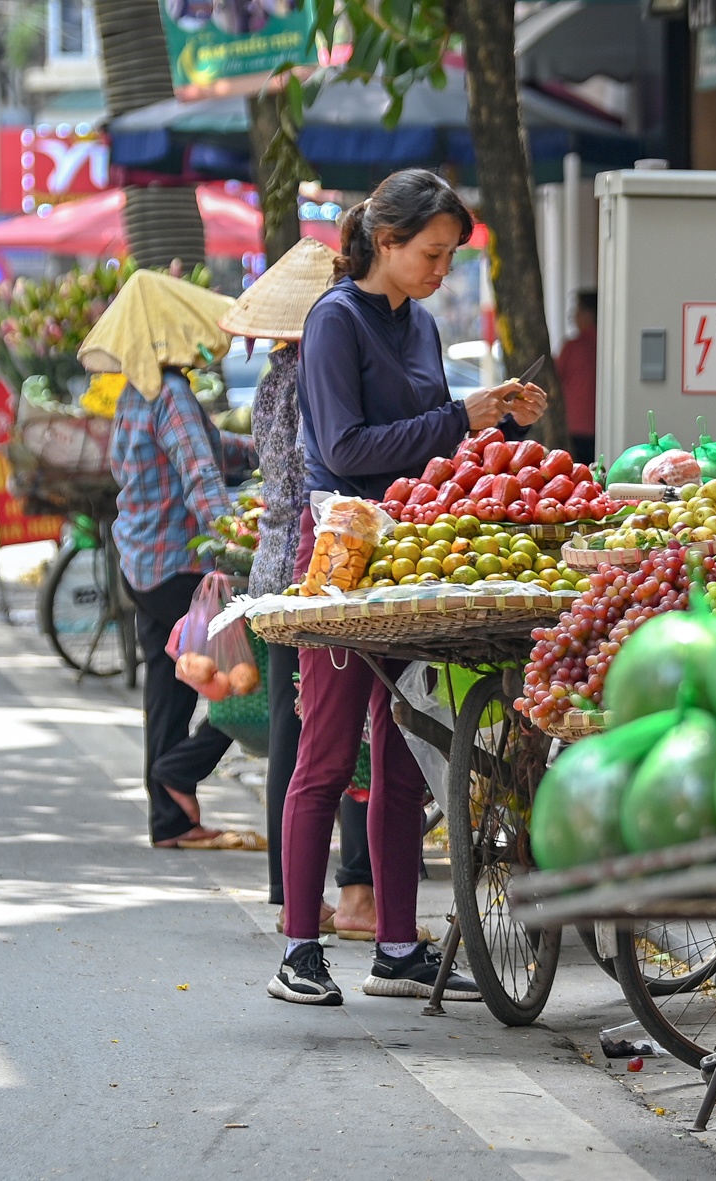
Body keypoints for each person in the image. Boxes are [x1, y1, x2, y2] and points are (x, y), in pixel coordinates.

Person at [270, 169, 547, 1006]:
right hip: (344, 554)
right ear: (385, 242)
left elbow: (427, 446)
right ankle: (299, 947)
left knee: (403, 755)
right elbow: (346, 449)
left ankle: (396, 946)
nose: (441, 270)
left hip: (412, 553)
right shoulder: (334, 320)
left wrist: (491, 427)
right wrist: (462, 417)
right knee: (326, 752)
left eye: (449, 256)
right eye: (431, 253)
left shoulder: (421, 325)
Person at [220, 238, 379, 936]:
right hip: (316, 564)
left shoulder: (272, 376)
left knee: (296, 729)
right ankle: (351, 891)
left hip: (273, 562)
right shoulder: (316, 370)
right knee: (344, 732)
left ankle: (292, 890)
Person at [90, 270, 260, 849]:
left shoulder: (139, 392)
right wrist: (236, 539)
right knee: (248, 676)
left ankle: (171, 819)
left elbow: (210, 449)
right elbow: (202, 478)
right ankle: (180, 769)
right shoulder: (172, 394)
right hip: (178, 568)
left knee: (170, 685)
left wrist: (265, 451)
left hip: (142, 562)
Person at [557, 290, 598, 463]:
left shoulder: (573, 347)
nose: (573, 316)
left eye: (577, 310)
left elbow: (556, 378)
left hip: (576, 426)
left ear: (589, 314)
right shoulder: (607, 346)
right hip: (601, 425)